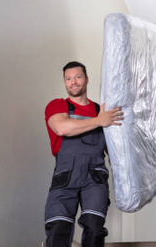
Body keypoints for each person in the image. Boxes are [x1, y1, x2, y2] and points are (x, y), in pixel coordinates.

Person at [43, 61, 123, 247]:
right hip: (65, 177)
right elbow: (62, 128)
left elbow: (114, 151)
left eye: (78, 77)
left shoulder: (99, 111)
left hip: (94, 177)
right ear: (64, 82)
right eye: (68, 79)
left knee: (95, 230)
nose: (73, 82)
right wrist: (99, 121)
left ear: (86, 79)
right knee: (57, 230)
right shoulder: (58, 105)